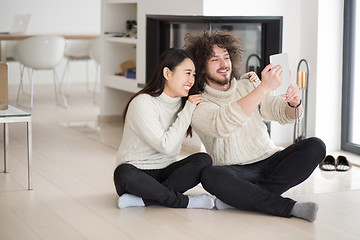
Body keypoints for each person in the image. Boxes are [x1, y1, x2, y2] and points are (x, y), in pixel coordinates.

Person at [184, 31, 326, 222]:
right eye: (215, 60)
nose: (224, 64)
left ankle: (241, 199)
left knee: (315, 146)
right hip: (234, 172)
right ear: (201, 67)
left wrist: (294, 103)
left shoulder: (248, 85)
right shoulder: (197, 102)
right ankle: (289, 207)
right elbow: (222, 124)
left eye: (226, 57)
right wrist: (263, 88)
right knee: (210, 175)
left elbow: (280, 113)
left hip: (269, 159)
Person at [113, 48, 214, 209]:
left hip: (166, 172)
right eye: (187, 73)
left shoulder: (185, 103)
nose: (191, 80)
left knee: (203, 160)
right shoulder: (143, 102)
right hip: (137, 174)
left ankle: (146, 200)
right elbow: (165, 146)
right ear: (167, 73)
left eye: (194, 75)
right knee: (124, 173)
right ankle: (184, 202)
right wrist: (188, 109)